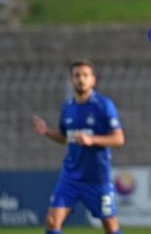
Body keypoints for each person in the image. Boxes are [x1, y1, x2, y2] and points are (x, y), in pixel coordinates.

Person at [32, 60, 125, 234]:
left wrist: (92, 140)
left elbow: (119, 139)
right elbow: (66, 138)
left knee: (111, 227)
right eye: (77, 75)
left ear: (93, 80)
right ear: (71, 80)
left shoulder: (103, 105)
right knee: (52, 221)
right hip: (70, 177)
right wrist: (46, 131)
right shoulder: (67, 107)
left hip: (97, 178)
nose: (81, 79)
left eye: (85, 75)